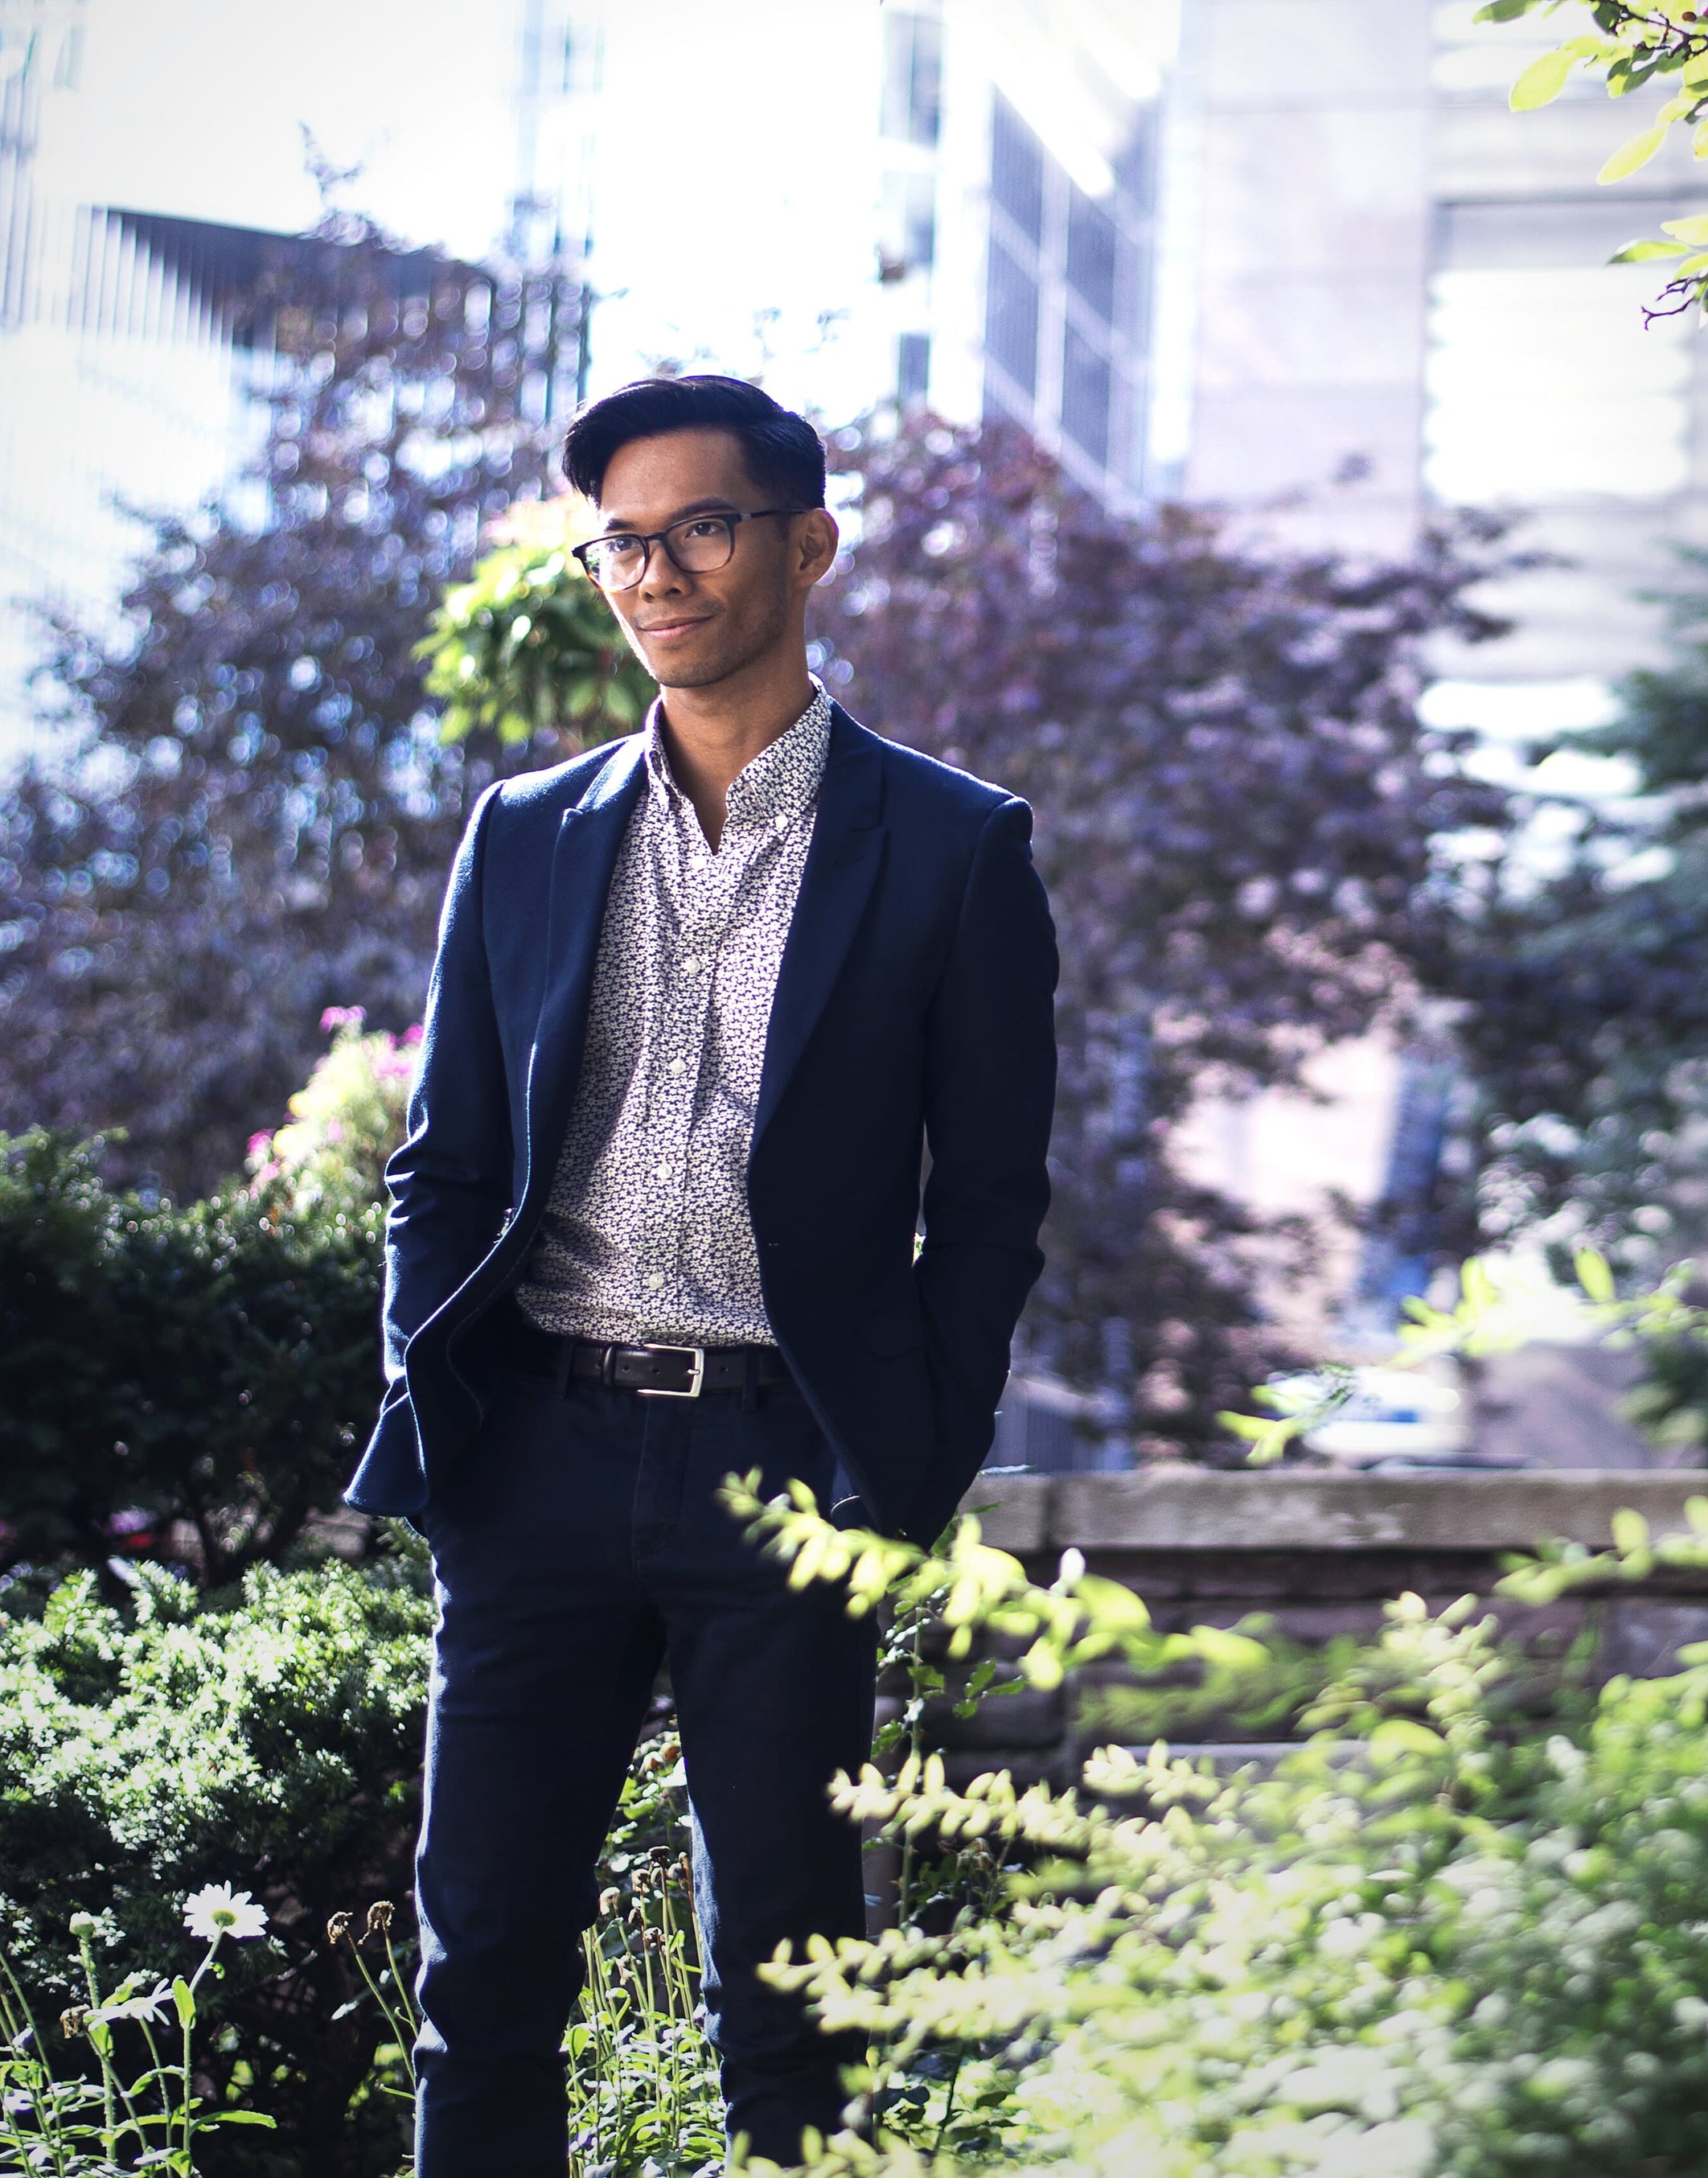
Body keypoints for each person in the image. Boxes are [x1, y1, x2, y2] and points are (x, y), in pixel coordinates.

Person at [344, 373, 1059, 2172]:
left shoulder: (954, 845)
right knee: (483, 1962)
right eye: (622, 539)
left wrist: (909, 1459)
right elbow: (441, 1159)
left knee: (788, 1982)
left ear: (805, 543)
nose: (653, 569)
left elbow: (984, 1202)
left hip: (784, 1465)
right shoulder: (524, 831)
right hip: (538, 1451)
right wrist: (439, 1403)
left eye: (700, 526)